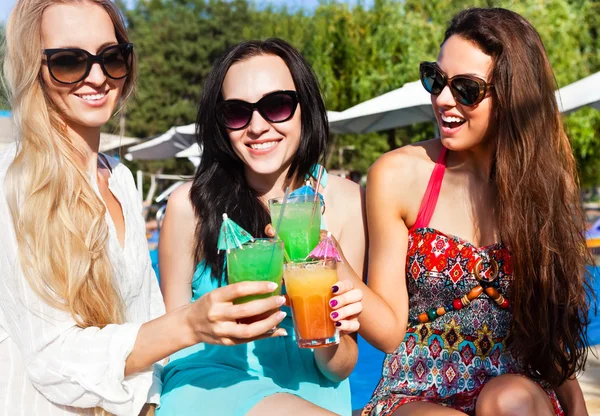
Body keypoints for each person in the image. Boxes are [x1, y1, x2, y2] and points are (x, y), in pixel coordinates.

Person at [0, 2, 290, 414]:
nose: (97, 77)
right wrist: (190, 324)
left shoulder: (119, 178)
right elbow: (53, 359)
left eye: (111, 57)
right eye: (68, 62)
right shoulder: (11, 184)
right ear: (35, 69)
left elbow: (146, 318)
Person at [359, 7, 592, 416]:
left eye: (466, 88)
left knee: (510, 399)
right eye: (436, 79)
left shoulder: (545, 188)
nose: (443, 99)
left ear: (511, 96)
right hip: (417, 387)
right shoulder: (398, 175)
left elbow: (549, 334)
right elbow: (390, 329)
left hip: (516, 388)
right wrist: (328, 264)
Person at [158, 38, 366, 416]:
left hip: (316, 393)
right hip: (213, 384)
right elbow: (172, 336)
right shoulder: (189, 206)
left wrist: (326, 331)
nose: (257, 126)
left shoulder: (349, 203)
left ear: (305, 108)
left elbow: (341, 364)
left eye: (277, 105)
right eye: (237, 112)